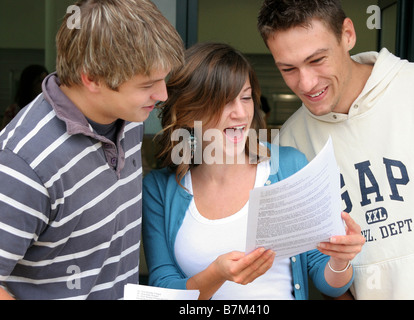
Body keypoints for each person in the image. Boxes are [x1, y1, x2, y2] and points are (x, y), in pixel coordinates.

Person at [257, 0, 414, 299]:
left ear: (347, 34)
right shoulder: (290, 144)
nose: (306, 83)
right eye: (288, 68)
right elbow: (315, 260)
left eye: (318, 59)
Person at [142, 42, 365, 300]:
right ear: (189, 112)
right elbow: (162, 286)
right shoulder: (160, 188)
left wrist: (340, 260)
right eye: (224, 101)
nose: (240, 113)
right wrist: (216, 274)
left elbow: (327, 280)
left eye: (246, 98)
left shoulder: (288, 166)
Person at [0, 0, 184, 300]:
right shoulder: (23, 163)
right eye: (147, 84)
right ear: (92, 78)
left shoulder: (130, 118)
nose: (162, 95)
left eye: (164, 79)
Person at [1, 65, 49, 130]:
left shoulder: (50, 108)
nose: (44, 84)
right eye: (40, 81)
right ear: (30, 83)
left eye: (46, 80)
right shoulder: (13, 111)